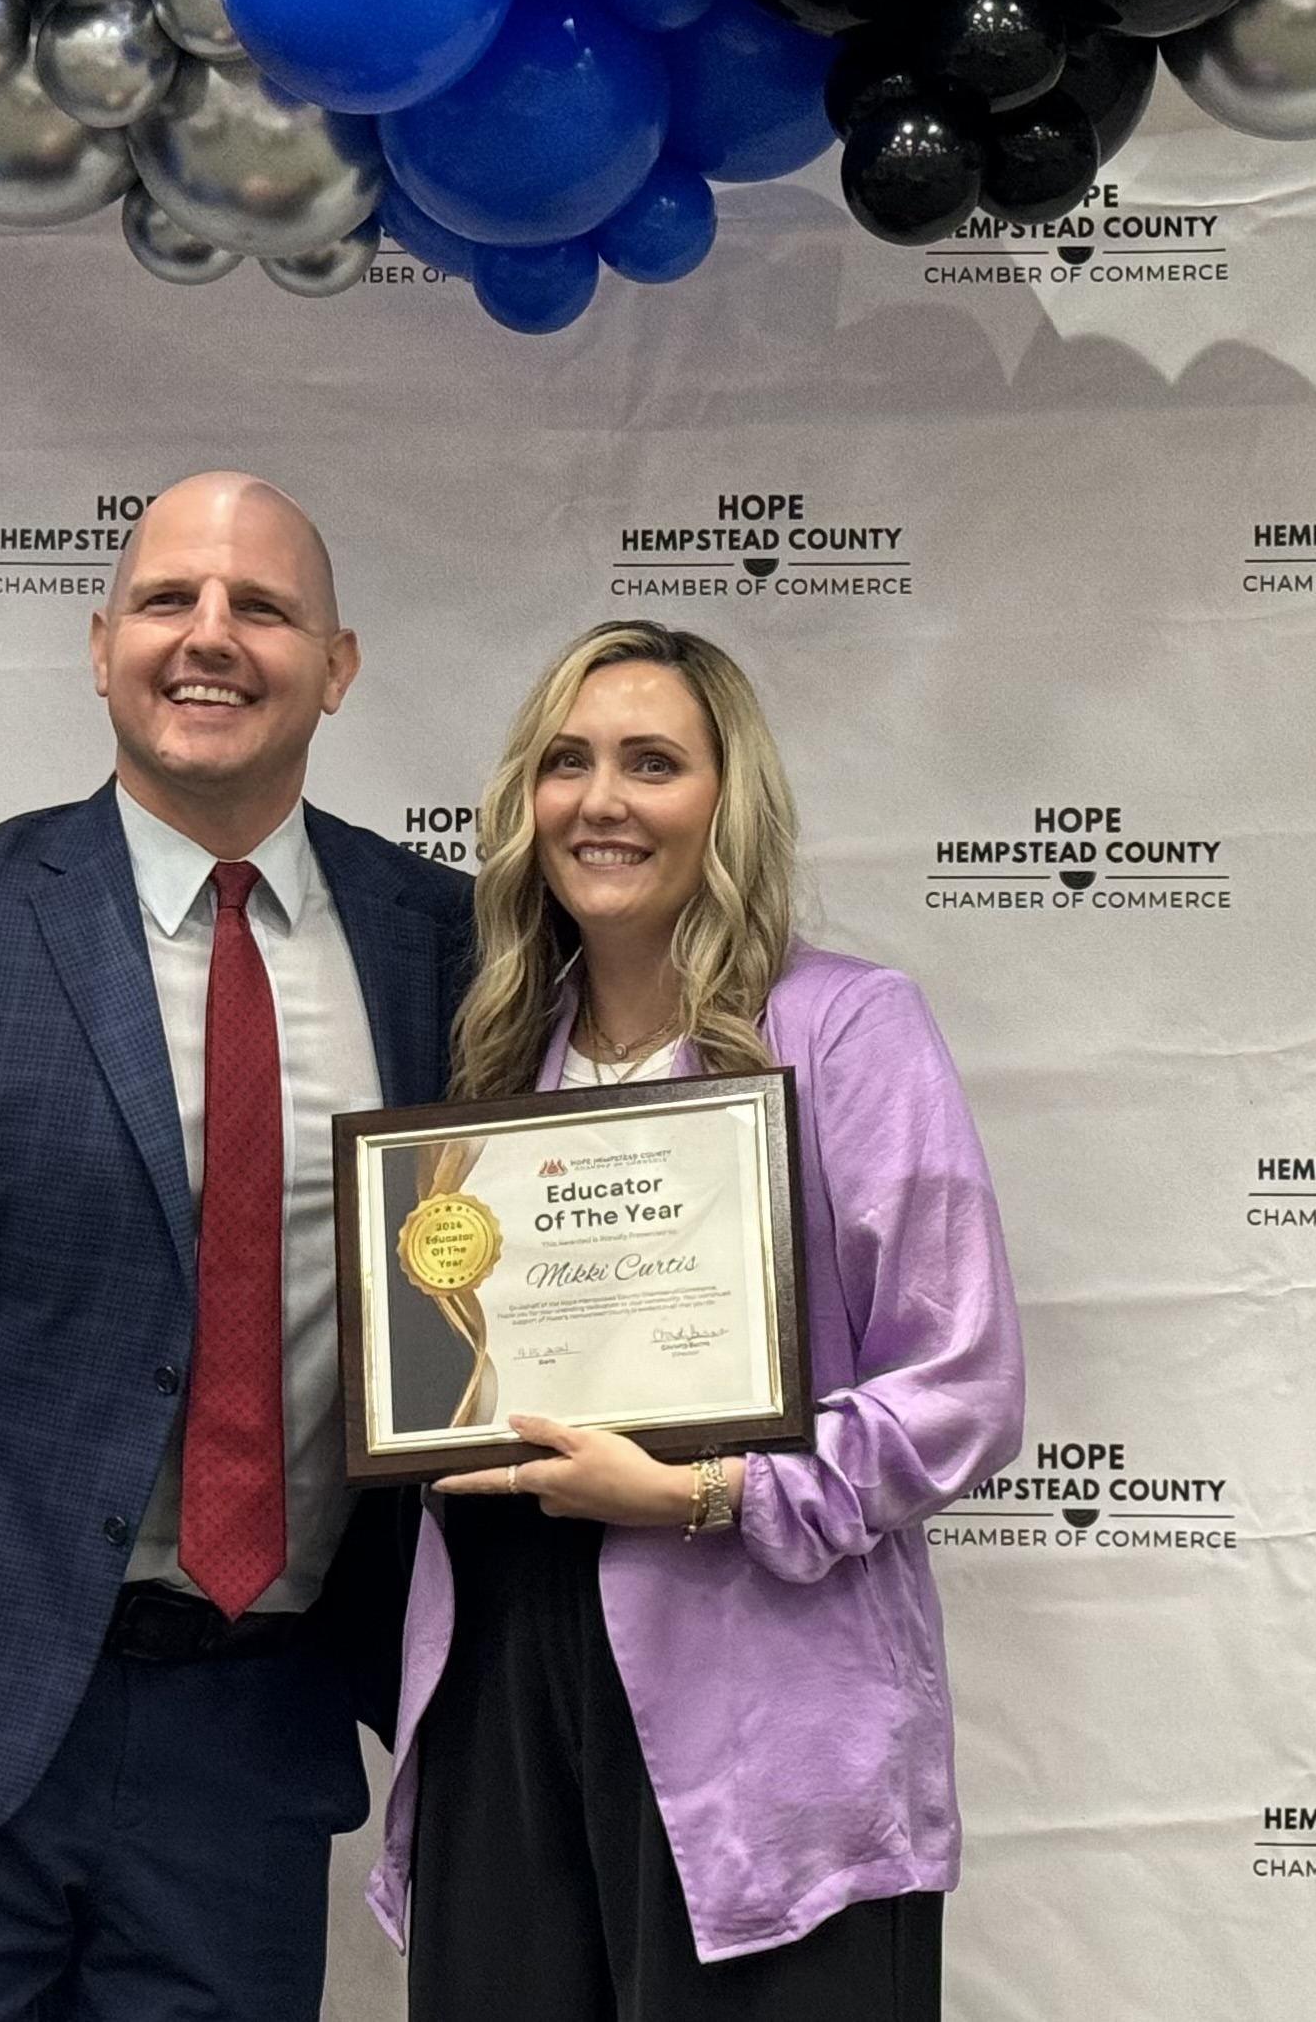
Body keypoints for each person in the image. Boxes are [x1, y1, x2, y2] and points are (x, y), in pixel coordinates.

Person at [0, 472, 475, 2022]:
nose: (211, 638)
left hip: (254, 1731)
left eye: (263, 607)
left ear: (336, 665)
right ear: (99, 641)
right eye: (166, 601)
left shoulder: (443, 941)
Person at [372, 620, 1025, 2022]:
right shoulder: (497, 1055)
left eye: (652, 763)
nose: (601, 800)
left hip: (763, 1696)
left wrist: (705, 1490)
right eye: (568, 762)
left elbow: (963, 1386)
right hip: (503, 1659)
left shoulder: (848, 1029)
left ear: (726, 804)